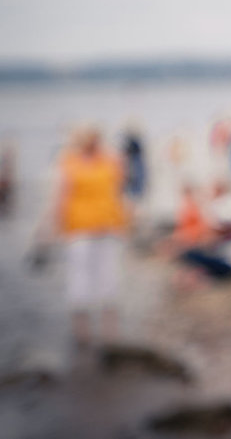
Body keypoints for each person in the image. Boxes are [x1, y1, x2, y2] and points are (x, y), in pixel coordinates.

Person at [48, 124, 131, 347]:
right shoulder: (69, 161)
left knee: (109, 277)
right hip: (80, 227)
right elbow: (61, 195)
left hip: (107, 225)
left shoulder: (109, 160)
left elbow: (119, 189)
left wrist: (124, 220)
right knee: (80, 278)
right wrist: (56, 224)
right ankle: (82, 331)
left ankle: (108, 332)